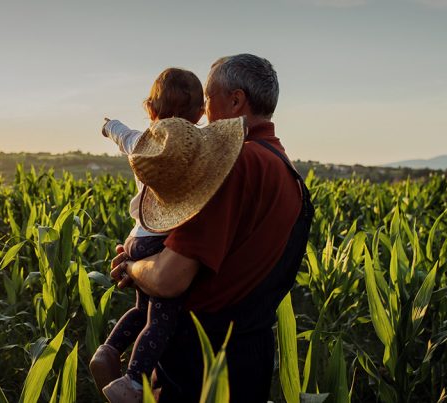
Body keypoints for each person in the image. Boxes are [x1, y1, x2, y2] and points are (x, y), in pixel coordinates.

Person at [110, 53, 314, 403]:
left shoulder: (233, 166)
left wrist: (132, 266)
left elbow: (168, 278)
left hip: (201, 362)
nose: (202, 112)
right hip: (251, 358)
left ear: (235, 101)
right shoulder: (288, 174)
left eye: (207, 98)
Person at [89, 67, 207, 401]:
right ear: (200, 115)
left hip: (137, 238)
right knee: (162, 320)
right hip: (162, 240)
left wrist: (107, 125)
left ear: (150, 110)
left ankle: (109, 349)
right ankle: (133, 380)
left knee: (142, 310)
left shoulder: (140, 143)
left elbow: (119, 133)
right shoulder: (196, 154)